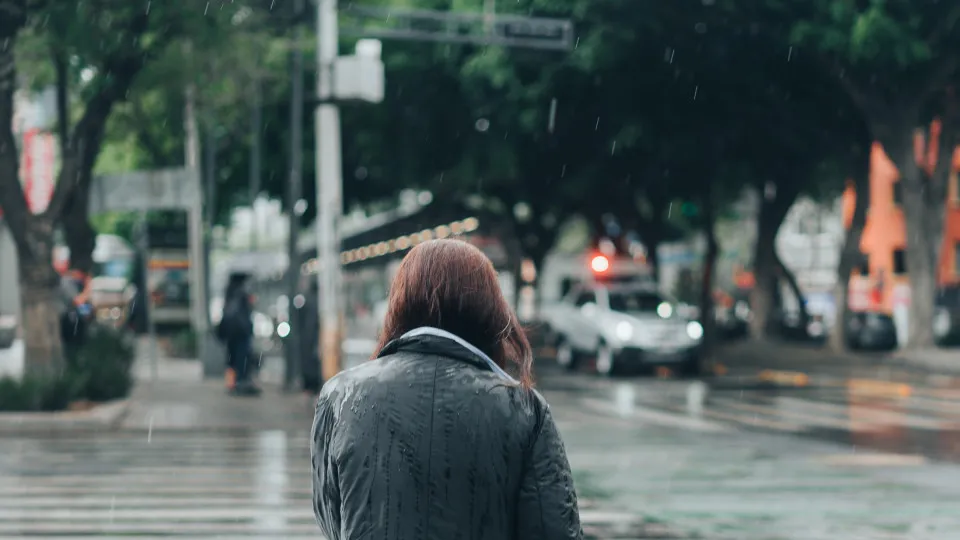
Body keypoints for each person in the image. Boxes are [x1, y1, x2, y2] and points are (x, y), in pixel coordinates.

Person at [311, 239, 582, 540]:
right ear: (489, 310)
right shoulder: (525, 409)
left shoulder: (340, 396)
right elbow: (553, 530)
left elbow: (334, 520)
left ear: (399, 304)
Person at [218, 272, 260, 396]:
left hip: (231, 333)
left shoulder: (229, 292)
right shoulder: (242, 294)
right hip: (242, 332)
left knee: (231, 358)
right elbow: (245, 315)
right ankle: (241, 383)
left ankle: (231, 384)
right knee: (242, 358)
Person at [298, 279, 321, 395]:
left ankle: (309, 386)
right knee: (313, 362)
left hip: (307, 337)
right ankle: (313, 386)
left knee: (308, 362)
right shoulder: (318, 301)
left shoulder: (307, 299)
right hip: (313, 337)